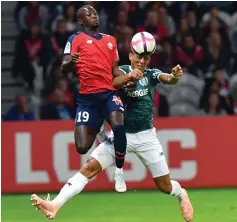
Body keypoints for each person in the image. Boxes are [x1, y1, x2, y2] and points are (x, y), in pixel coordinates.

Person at [31, 50, 193, 221]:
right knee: (89, 167)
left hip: (146, 138)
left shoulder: (151, 74)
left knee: (165, 186)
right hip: (121, 135)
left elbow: (169, 79)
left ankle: (181, 194)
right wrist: (130, 77)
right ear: (131, 56)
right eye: (138, 57)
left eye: (146, 58)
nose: (142, 61)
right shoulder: (121, 71)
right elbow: (113, 82)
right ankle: (55, 205)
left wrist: (175, 76)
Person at [59, 5, 142, 191]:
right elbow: (63, 67)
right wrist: (71, 61)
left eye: (94, 13)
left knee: (119, 128)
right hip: (87, 99)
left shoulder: (110, 40)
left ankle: (119, 173)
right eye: (88, 14)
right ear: (81, 21)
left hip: (109, 94)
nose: (94, 15)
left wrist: (129, 77)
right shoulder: (75, 39)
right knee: (82, 147)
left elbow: (115, 71)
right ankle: (100, 127)